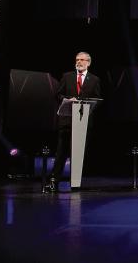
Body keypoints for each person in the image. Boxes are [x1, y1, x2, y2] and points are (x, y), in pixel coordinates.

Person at [44, 51, 101, 192]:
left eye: (82, 60)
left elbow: (97, 99)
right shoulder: (67, 76)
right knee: (61, 152)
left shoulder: (94, 80)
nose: (79, 62)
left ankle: (75, 182)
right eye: (77, 60)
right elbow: (57, 94)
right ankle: (54, 181)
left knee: (78, 153)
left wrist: (85, 103)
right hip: (67, 121)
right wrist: (67, 100)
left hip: (83, 122)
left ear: (88, 62)